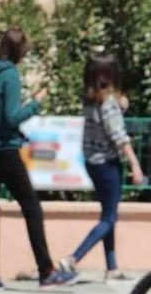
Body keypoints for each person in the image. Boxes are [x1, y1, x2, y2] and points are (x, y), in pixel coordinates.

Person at [0, 27, 79, 290]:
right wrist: (35, 103)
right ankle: (46, 271)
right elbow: (10, 117)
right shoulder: (9, 75)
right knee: (31, 207)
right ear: (20, 51)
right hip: (5, 149)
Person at [59, 55, 144, 281]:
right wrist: (135, 165)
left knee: (108, 213)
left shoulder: (89, 101)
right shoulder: (109, 104)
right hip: (107, 164)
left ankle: (112, 267)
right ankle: (73, 258)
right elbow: (118, 136)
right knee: (110, 218)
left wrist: (120, 106)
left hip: (91, 162)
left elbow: (106, 123)